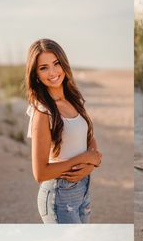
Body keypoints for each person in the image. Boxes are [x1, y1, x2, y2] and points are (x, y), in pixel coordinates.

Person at [25, 39, 102, 223]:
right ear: (36, 74)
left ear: (64, 64)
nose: (52, 72)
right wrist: (84, 159)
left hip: (82, 190)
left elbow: (89, 138)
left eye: (56, 63)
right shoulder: (42, 112)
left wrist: (92, 163)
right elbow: (40, 173)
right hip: (58, 195)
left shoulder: (73, 99)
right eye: (43, 68)